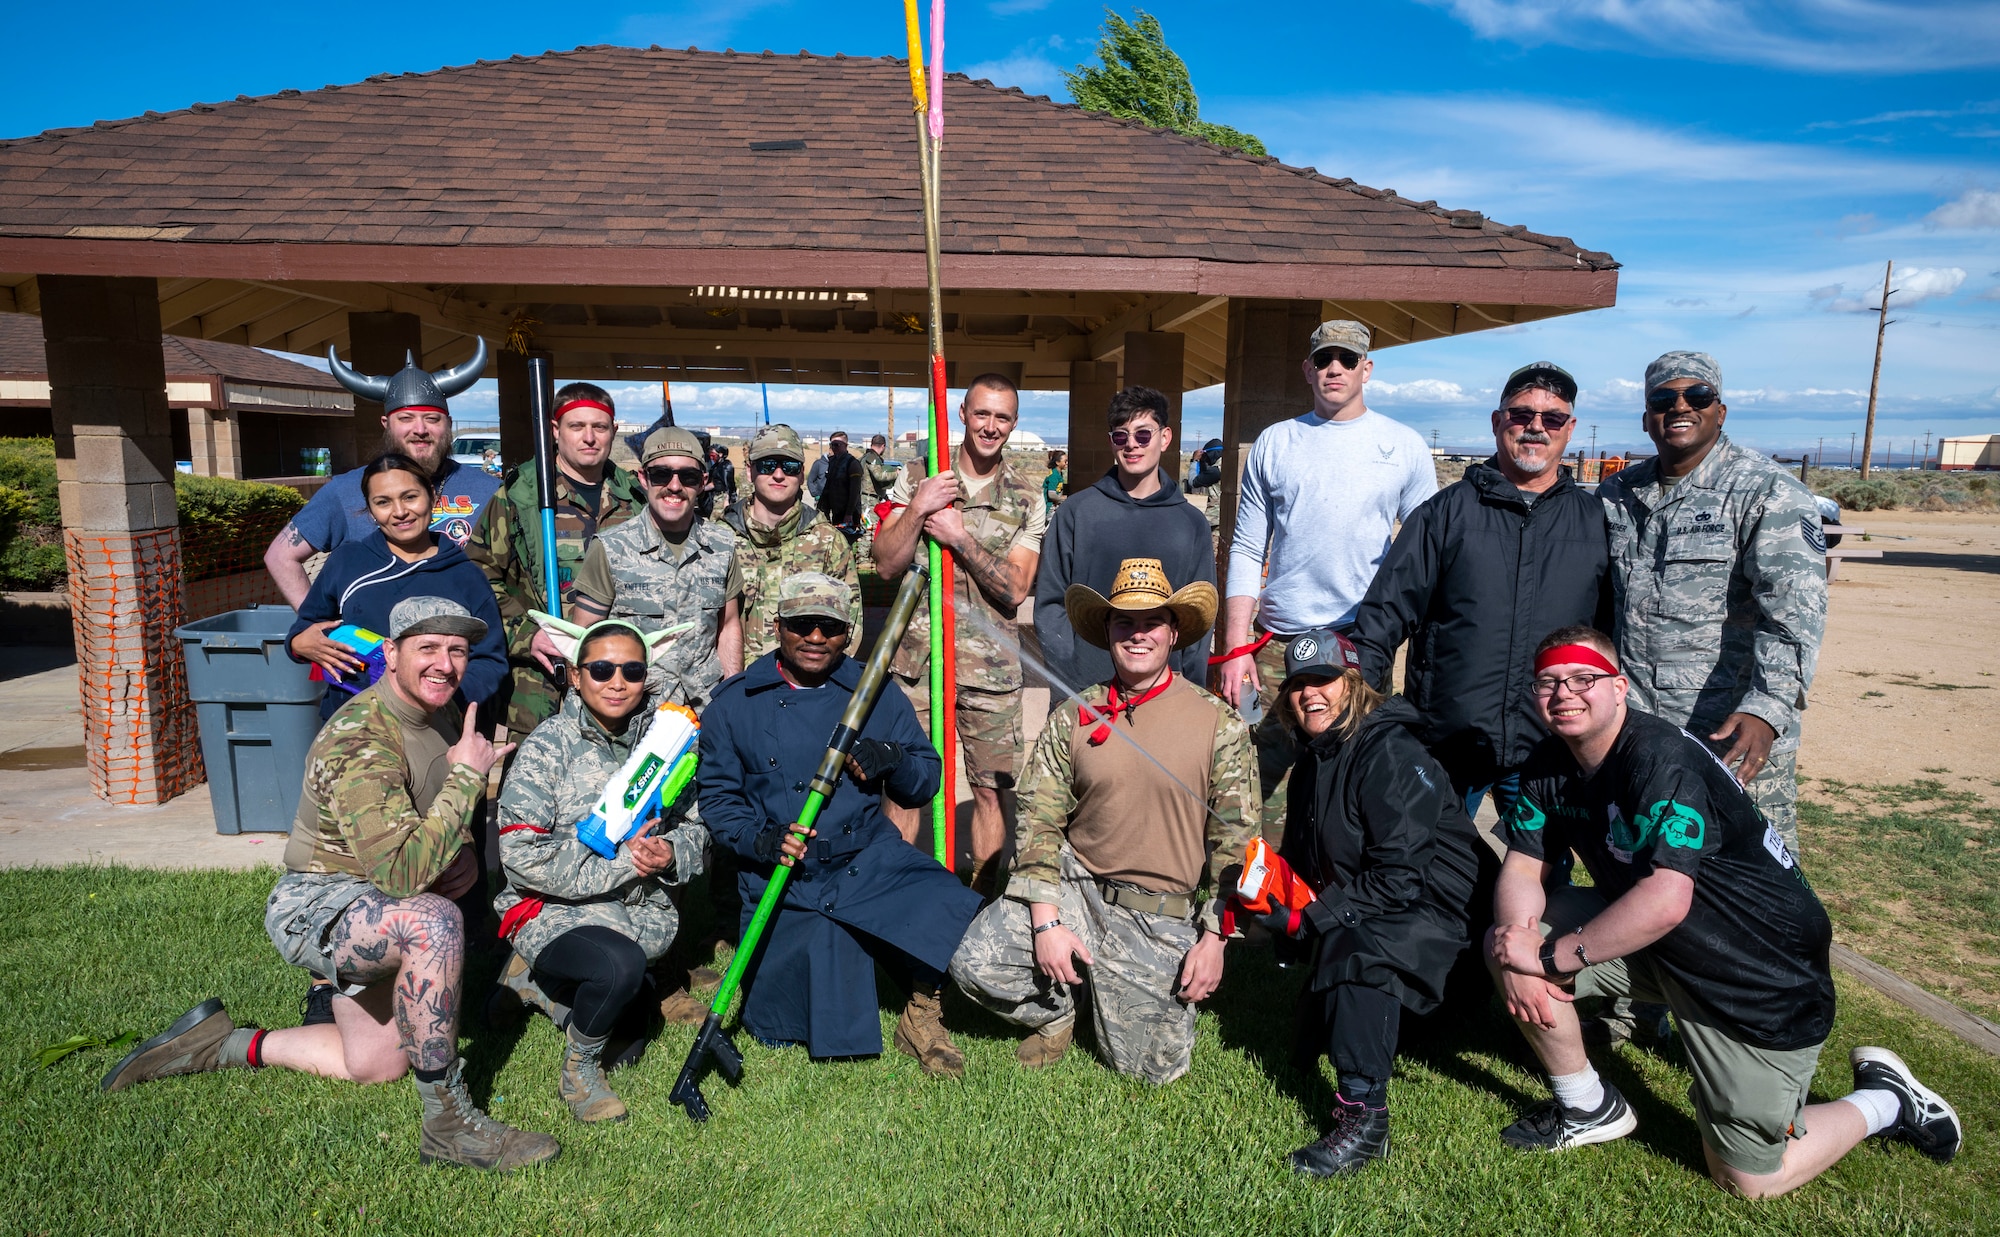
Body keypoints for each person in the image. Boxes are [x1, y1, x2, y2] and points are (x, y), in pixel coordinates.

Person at [1486, 627, 1959, 1196]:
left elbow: (1666, 899)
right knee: (1511, 943)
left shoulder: (1660, 757)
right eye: (1549, 682)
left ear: (1618, 688)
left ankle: (1886, 1099)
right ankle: (1587, 1106)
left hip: (1754, 967)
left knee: (1751, 1181)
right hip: (1663, 939)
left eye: (1583, 678)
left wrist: (1554, 955)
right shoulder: (1548, 761)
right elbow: (1521, 866)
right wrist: (1521, 943)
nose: (1565, 693)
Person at [100, 597, 560, 1172]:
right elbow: (402, 873)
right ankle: (448, 1124)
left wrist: (462, 850)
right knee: (434, 922)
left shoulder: (442, 712)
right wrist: (470, 774)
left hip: (376, 898)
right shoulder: (361, 739)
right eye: (427, 648)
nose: (444, 663)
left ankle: (221, 1044)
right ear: (390, 655)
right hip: (319, 904)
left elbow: (425, 818)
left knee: (375, 1065)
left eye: (457, 650)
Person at [951, 559, 1254, 1084]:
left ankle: (1107, 988)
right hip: (1075, 889)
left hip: (1156, 913)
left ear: (1173, 631)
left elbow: (1237, 846)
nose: (1138, 635)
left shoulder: (1218, 725)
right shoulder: (1074, 715)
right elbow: (1038, 821)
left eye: (1151, 621)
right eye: (1123, 622)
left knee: (1151, 1071)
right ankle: (1058, 1011)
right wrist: (1046, 923)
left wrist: (1215, 940)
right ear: (1107, 632)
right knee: (975, 963)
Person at [698, 574, 984, 1074]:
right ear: (777, 625)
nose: (815, 637)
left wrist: (892, 757)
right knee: (795, 1029)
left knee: (958, 915)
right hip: (786, 877)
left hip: (868, 859)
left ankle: (921, 1013)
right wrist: (763, 840)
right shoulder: (734, 703)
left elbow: (925, 781)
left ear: (848, 633)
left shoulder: (875, 692)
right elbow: (719, 803)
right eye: (802, 624)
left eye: (829, 627)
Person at [1257, 628, 1497, 1176]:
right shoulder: (1316, 758)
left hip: (1454, 920)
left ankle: (1363, 1122)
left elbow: (1398, 877)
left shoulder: (1388, 749)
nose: (1308, 694)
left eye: (1323, 680)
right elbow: (1301, 859)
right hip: (1407, 906)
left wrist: (1311, 918)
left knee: (1354, 943)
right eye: (1296, 684)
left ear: (1354, 683)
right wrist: (1266, 892)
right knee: (1311, 1022)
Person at [1350, 362, 1611, 825]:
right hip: (1450, 741)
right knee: (1433, 869)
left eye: (1551, 419)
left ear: (1569, 430)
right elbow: (1384, 616)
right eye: (1520, 414)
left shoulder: (1595, 523)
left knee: (1544, 880)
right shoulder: (1444, 514)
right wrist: (1362, 716)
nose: (1534, 427)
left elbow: (1612, 636)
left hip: (1549, 743)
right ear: (1497, 422)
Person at [1598, 352, 1826, 856]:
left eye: (1696, 395)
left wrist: (1767, 710)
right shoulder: (1617, 494)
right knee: (1647, 867)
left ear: (1719, 411)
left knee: (1750, 877)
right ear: (1646, 417)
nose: (1680, 406)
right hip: (1642, 728)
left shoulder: (1766, 491)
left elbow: (1793, 614)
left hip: (1731, 732)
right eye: (1663, 398)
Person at [1218, 321, 1436, 828]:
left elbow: (1423, 554)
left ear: (1367, 368)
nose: (1334, 368)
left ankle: (1336, 896)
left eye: (1347, 359)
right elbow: (1249, 547)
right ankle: (1262, 895)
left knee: (1351, 777)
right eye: (1323, 359)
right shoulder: (1276, 443)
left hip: (1360, 642)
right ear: (1307, 370)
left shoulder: (1402, 446)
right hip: (1278, 641)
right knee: (1265, 779)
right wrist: (1234, 649)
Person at [490, 619, 709, 1123]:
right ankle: (580, 1070)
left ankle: (535, 985)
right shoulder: (548, 747)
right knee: (619, 968)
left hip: (636, 911)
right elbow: (522, 855)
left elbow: (697, 830)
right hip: (551, 907)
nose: (617, 682)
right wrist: (626, 862)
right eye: (602, 669)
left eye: (632, 670)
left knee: (631, 1036)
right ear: (575, 676)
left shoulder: (666, 746)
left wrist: (671, 854)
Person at [872, 374, 1045, 886]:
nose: (990, 427)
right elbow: (884, 563)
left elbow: (1014, 590)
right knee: (903, 785)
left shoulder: (1027, 496)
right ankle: (893, 894)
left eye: (1003, 417)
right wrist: (920, 507)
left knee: (991, 789)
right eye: (982, 413)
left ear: (1014, 424)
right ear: (964, 412)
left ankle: (980, 900)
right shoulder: (920, 475)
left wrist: (959, 535)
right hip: (918, 665)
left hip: (990, 673)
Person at [464, 383, 645, 737]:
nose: (589, 437)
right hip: (542, 687)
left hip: (619, 684)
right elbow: (477, 578)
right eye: (577, 426)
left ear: (614, 431)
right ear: (554, 430)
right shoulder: (521, 497)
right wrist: (527, 635)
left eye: (600, 427)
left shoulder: (634, 497)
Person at [264, 340, 500, 607]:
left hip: (464, 642)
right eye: (406, 418)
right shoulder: (345, 490)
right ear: (386, 425)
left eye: (432, 419)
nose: (420, 429)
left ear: (448, 424)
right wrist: (315, 623)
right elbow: (280, 557)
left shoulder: (489, 490)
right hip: (372, 644)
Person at [287, 453, 509, 724]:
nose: (400, 511)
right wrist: (300, 643)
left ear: (431, 496)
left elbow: (490, 660)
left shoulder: (466, 576)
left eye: (410, 497)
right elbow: (305, 628)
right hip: (353, 726)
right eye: (383, 502)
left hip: (439, 731)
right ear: (369, 509)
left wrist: (446, 701)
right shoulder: (346, 562)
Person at [1034, 385, 1216, 692]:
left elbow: (1199, 620)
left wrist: (1190, 692)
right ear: (1111, 442)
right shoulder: (1077, 513)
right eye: (1121, 436)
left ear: (1165, 437)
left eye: (1143, 434)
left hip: (1165, 694)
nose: (1131, 444)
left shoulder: (1191, 524)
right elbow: (1051, 604)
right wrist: (1072, 680)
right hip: (1086, 695)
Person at [569, 425, 744, 710]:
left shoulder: (722, 545)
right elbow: (583, 640)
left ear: (702, 482)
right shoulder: (612, 548)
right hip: (636, 714)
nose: (674, 486)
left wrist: (732, 701)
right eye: (661, 474)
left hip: (706, 710)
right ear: (643, 478)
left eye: (687, 476)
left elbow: (729, 626)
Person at [719, 424, 863, 662]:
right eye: (766, 465)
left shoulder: (828, 542)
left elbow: (850, 628)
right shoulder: (720, 540)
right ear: (749, 471)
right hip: (733, 685)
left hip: (805, 687)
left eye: (789, 466)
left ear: (801, 473)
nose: (778, 474)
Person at [808, 431, 865, 532]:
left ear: (845, 445)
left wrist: (849, 513)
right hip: (836, 511)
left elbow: (855, 491)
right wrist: (821, 508)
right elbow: (828, 486)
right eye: (832, 445)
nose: (833, 447)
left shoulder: (852, 464)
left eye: (837, 445)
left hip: (849, 513)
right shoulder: (833, 462)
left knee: (848, 541)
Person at [1182, 437, 1225, 537]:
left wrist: (1195, 461)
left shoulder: (1215, 471)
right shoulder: (1226, 466)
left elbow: (1193, 482)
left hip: (1215, 518)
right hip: (1227, 516)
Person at [861, 433, 901, 514]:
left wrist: (886, 498)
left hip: (871, 499)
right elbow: (879, 476)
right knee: (871, 526)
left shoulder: (866, 457)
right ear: (883, 446)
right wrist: (896, 473)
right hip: (869, 501)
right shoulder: (872, 458)